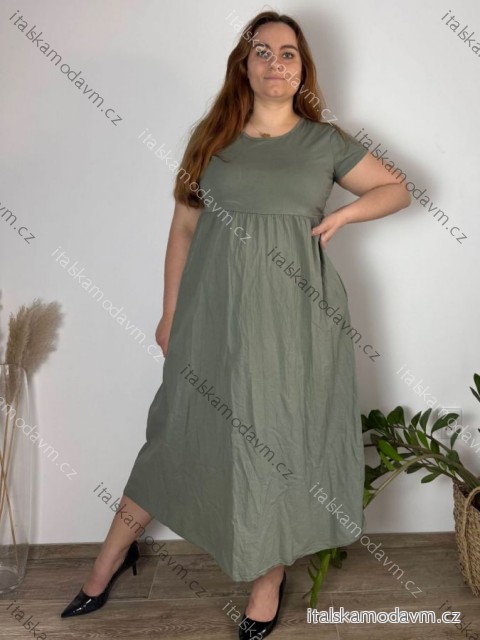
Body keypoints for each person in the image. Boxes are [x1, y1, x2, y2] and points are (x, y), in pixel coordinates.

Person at [60, 10, 411, 639]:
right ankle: (107, 562)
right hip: (212, 318)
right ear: (244, 66)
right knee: (174, 435)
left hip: (295, 323)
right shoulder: (213, 139)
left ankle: (267, 582)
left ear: (303, 69)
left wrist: (343, 217)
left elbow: (397, 189)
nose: (276, 63)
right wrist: (170, 313)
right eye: (263, 52)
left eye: (288, 53)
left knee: (279, 442)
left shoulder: (326, 142)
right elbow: (183, 228)